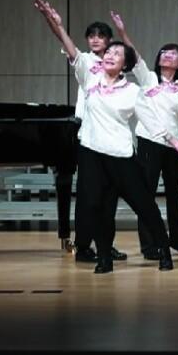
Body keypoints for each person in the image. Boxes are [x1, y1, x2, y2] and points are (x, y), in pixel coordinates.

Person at [33, 0, 178, 274]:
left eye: (116, 53)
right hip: (91, 152)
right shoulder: (89, 78)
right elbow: (69, 47)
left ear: (125, 65)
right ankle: (104, 258)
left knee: (144, 206)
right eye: (108, 52)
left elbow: (152, 121)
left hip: (121, 155)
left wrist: (175, 142)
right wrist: (55, 23)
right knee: (96, 206)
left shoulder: (132, 91)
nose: (109, 55)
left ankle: (163, 250)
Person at [109, 12, 178, 258]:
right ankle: (149, 245)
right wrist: (122, 31)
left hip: (174, 146)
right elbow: (134, 56)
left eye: (173, 54)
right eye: (163, 52)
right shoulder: (148, 79)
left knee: (175, 195)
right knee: (146, 194)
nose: (166, 55)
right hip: (150, 142)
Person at [51, 18, 113, 258]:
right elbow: (67, 45)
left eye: (100, 35)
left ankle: (105, 244)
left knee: (109, 194)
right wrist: (56, 24)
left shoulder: (116, 63)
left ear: (109, 40)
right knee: (88, 193)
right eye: (91, 36)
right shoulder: (85, 60)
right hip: (87, 132)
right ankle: (84, 245)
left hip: (110, 134)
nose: (95, 39)